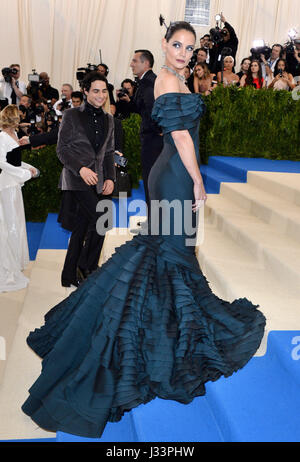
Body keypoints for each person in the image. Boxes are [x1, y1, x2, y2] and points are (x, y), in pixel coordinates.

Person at [22, 20, 266, 439]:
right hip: (175, 174)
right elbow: (182, 138)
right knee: (170, 250)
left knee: (167, 251)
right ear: (164, 45)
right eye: (177, 45)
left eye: (190, 47)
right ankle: (159, 331)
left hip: (166, 173)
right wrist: (198, 180)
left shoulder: (176, 77)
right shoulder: (169, 81)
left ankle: (161, 318)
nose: (184, 52)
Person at [55, 71, 115, 288]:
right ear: (86, 91)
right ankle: (87, 266)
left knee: (82, 225)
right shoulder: (71, 115)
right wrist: (80, 169)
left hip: (97, 180)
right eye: (96, 91)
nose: (101, 95)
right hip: (76, 179)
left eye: (104, 91)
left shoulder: (109, 119)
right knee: (102, 218)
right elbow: (61, 150)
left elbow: (108, 152)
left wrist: (110, 179)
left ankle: (69, 274)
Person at [0, 105, 38, 292]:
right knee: (10, 224)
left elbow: (13, 160)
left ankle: (16, 259)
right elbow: (2, 163)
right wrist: (24, 174)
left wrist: (27, 167)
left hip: (14, 184)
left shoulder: (14, 135)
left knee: (16, 222)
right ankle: (8, 264)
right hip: (7, 185)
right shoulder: (1, 137)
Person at [130, 49, 164, 209]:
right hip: (153, 137)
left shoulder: (149, 82)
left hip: (153, 139)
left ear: (146, 63)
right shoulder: (147, 81)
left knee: (151, 179)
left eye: (135, 61)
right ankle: (154, 221)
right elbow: (143, 108)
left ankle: (154, 223)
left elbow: (153, 109)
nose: (131, 64)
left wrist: (158, 129)